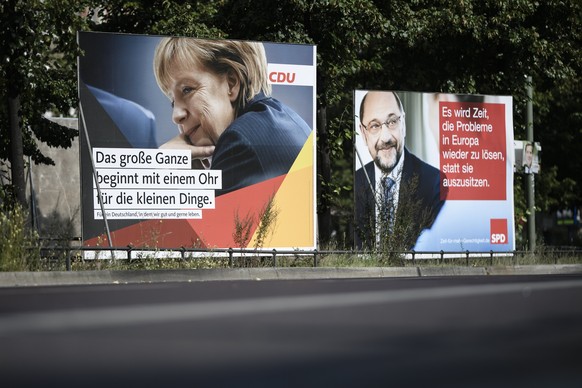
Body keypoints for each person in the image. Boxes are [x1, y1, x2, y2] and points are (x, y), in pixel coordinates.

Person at [153, 37, 311, 195]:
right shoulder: (283, 118)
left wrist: (161, 174)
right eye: (173, 102)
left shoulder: (240, 143)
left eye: (187, 89)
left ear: (231, 82)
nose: (176, 115)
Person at [355, 91, 446, 249]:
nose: (386, 138)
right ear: (363, 133)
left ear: (403, 123)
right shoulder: (356, 182)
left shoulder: (434, 182)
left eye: (392, 122)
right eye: (374, 126)